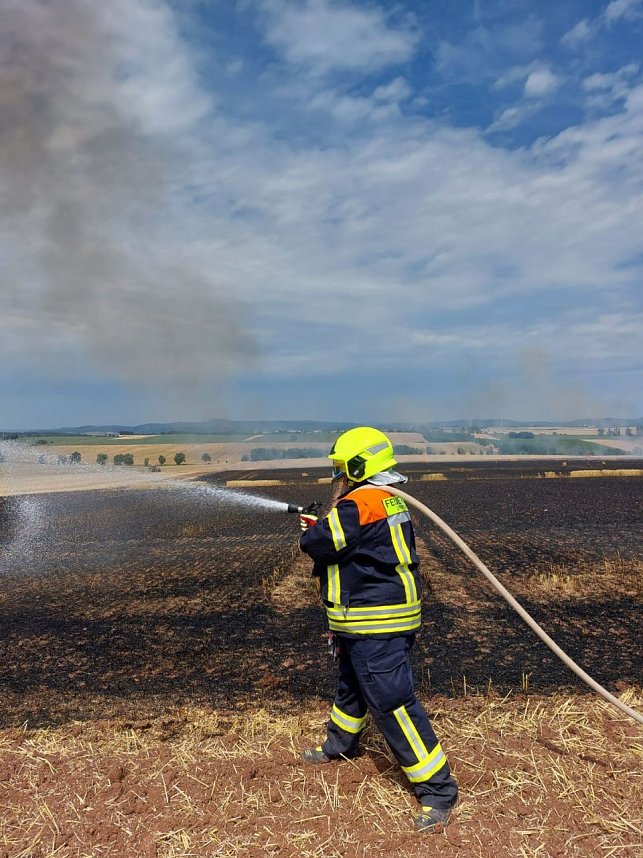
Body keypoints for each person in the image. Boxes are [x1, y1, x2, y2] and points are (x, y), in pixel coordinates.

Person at [298, 426, 458, 832]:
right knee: (352, 685)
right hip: (371, 618)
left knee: (392, 703)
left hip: (375, 620)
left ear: (358, 466)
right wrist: (325, 523)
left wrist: (312, 528)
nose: (337, 474)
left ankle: (438, 791)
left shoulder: (359, 504)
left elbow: (318, 544)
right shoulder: (385, 498)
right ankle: (340, 745)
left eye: (341, 467)